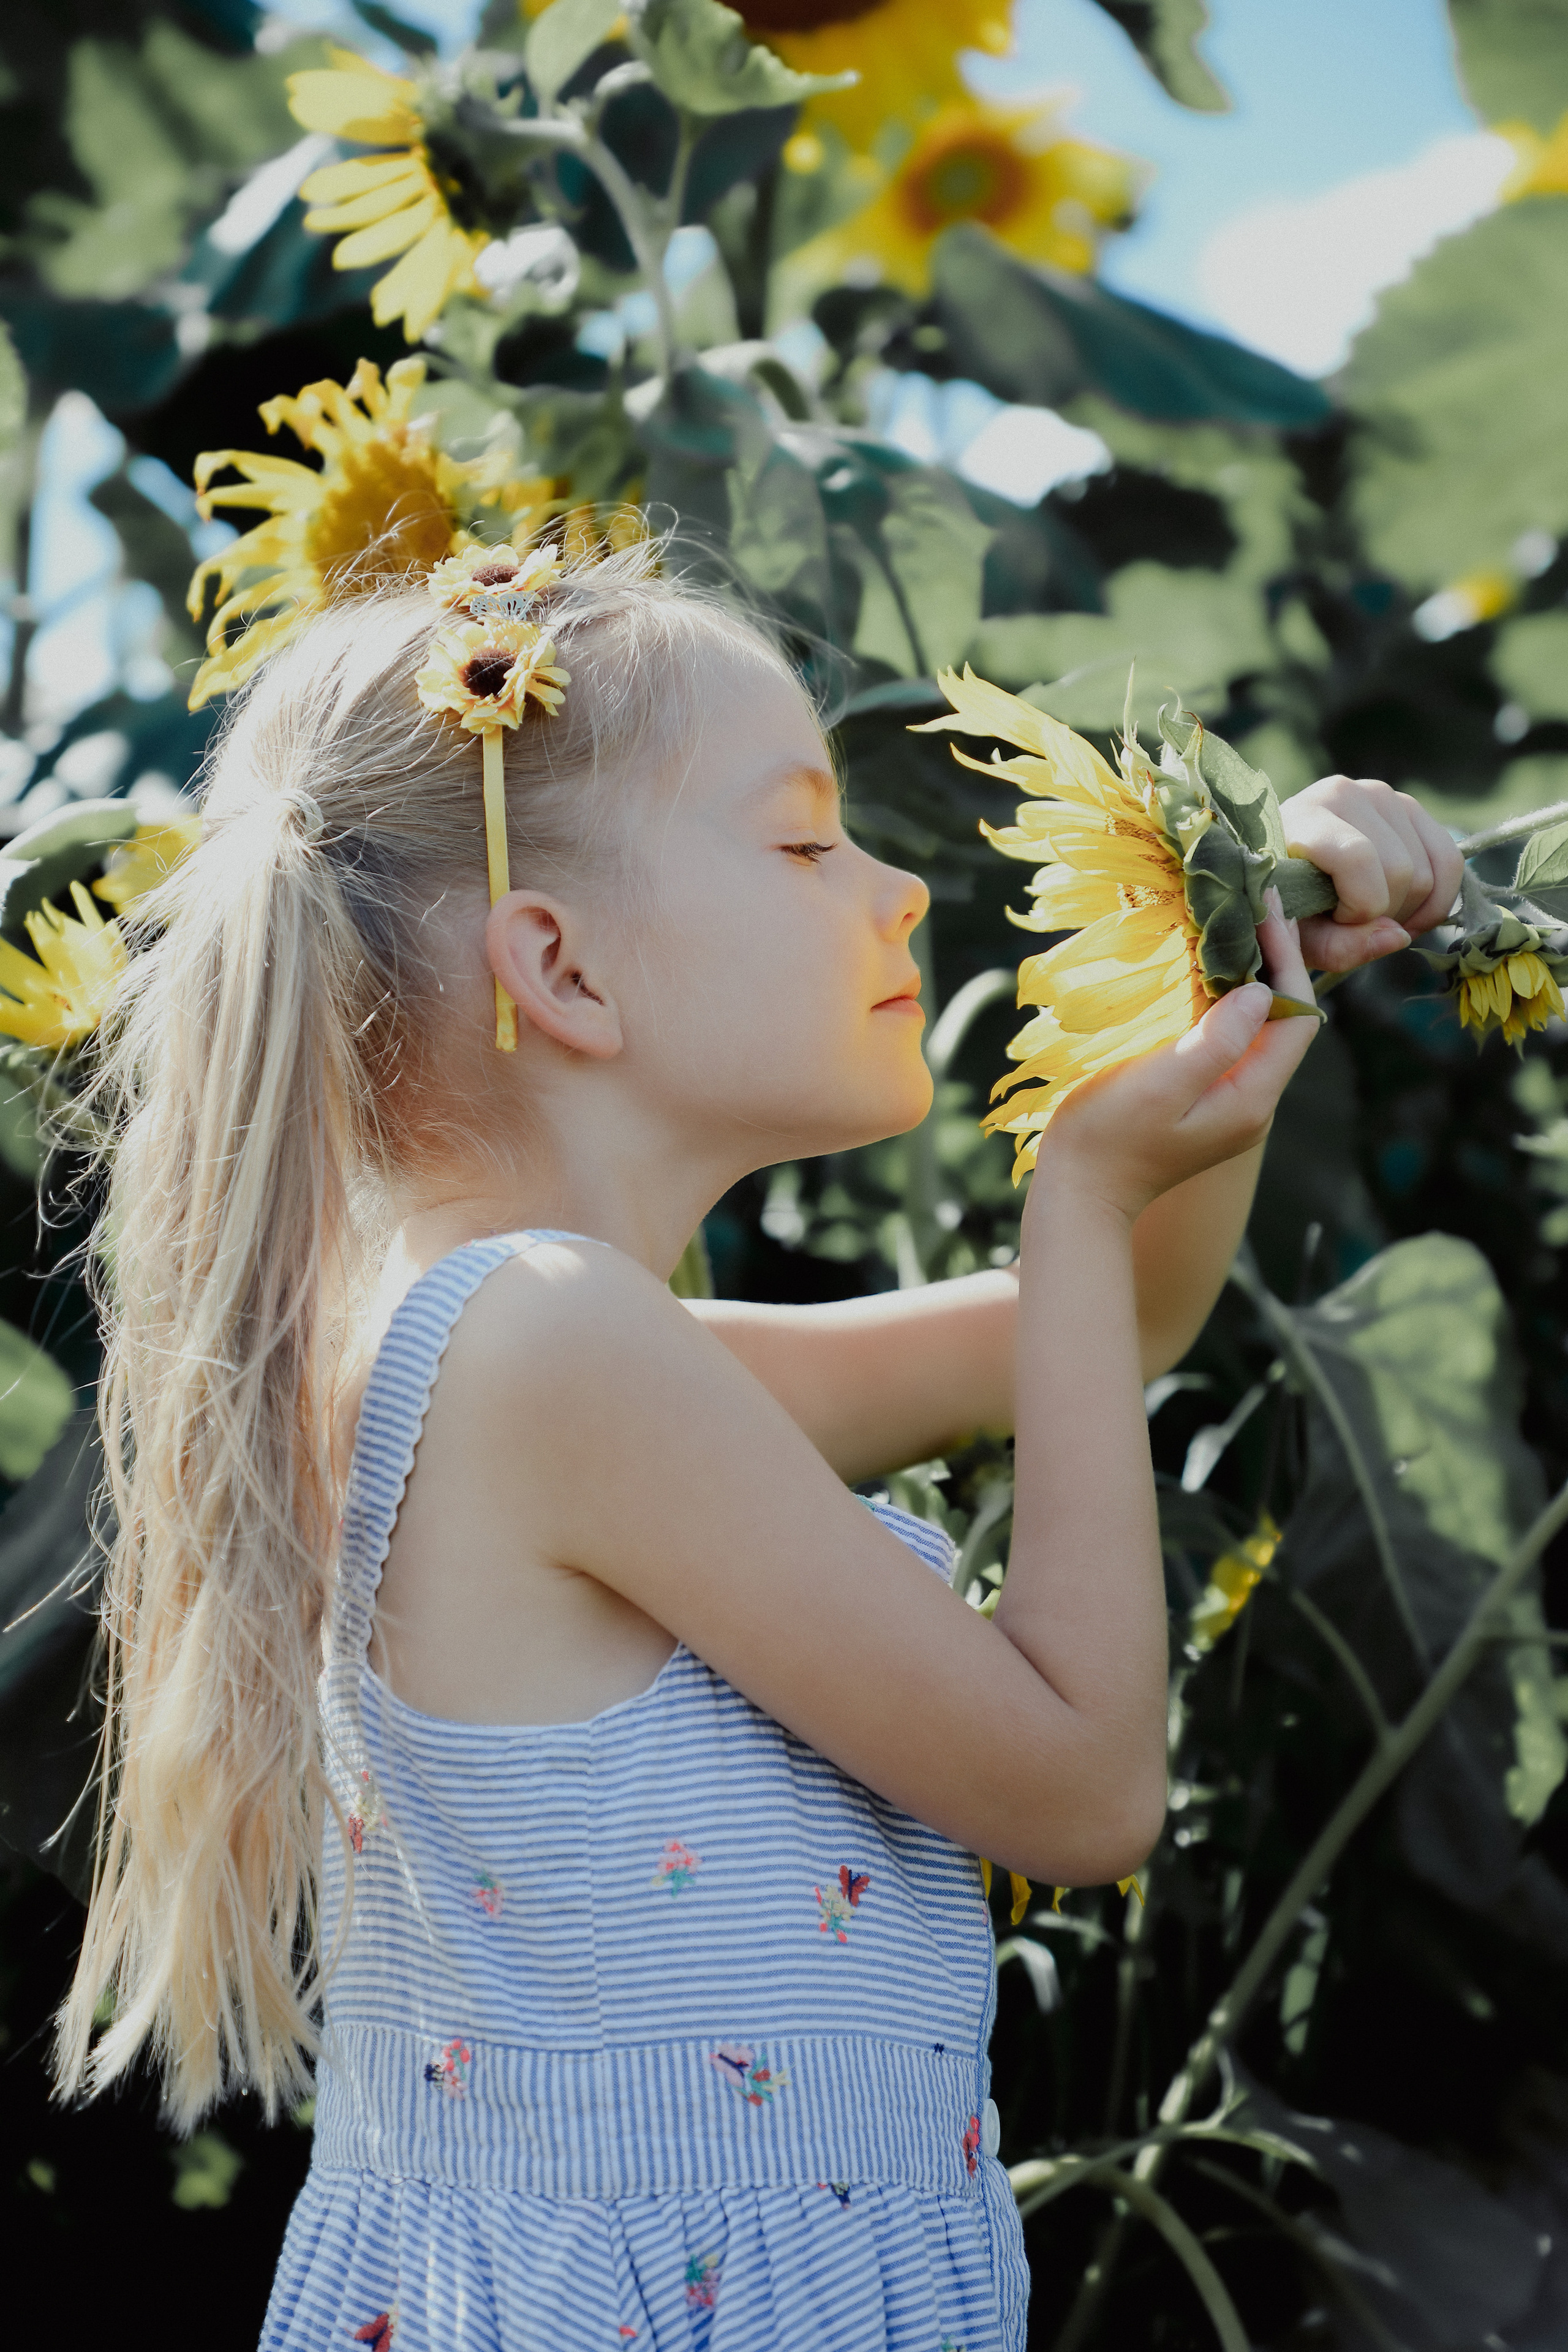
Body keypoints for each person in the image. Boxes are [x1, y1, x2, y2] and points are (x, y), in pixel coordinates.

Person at [53, 538, 1462, 2350]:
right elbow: (1089, 1787)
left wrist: (1238, 964)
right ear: (557, 966)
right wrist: (1081, 1208)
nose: (896, 896)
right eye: (807, 841)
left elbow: (1116, 1342)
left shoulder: (504, 1350)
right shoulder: (551, 1347)